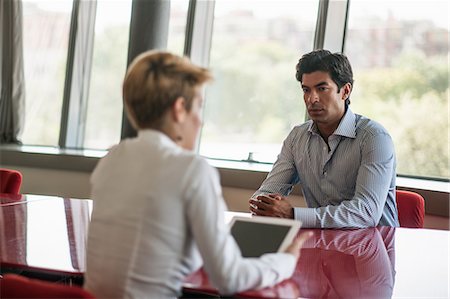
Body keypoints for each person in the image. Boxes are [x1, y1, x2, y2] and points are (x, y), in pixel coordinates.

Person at [84, 50, 311, 299]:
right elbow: (230, 278)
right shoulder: (191, 170)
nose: (200, 121)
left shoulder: (111, 160)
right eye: (199, 106)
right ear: (179, 109)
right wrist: (285, 261)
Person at [249, 49, 398, 228]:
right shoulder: (297, 137)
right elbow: (266, 193)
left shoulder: (374, 138)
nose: (312, 99)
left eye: (322, 88)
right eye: (306, 90)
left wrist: (292, 215)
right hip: (321, 247)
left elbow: (365, 213)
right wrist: (264, 205)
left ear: (345, 91)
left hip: (372, 248)